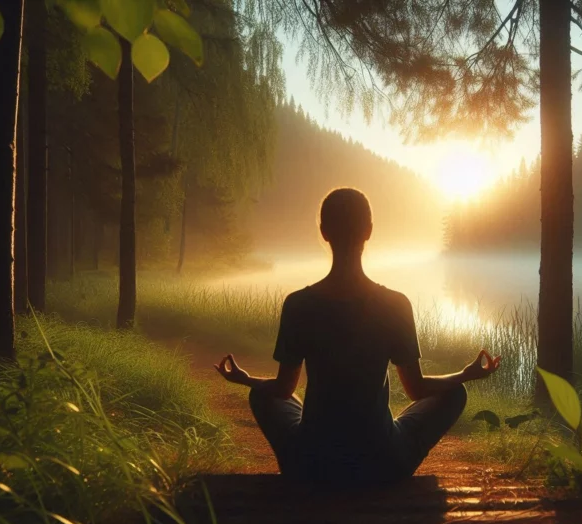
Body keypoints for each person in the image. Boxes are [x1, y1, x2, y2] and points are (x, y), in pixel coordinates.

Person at [214, 187, 501, 485]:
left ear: (324, 232)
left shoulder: (298, 304)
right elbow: (416, 389)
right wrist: (466, 374)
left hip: (313, 462)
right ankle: (383, 458)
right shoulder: (395, 304)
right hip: (383, 462)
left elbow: (284, 389)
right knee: (454, 392)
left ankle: (300, 462)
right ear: (369, 231)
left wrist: (246, 379)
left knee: (263, 394)